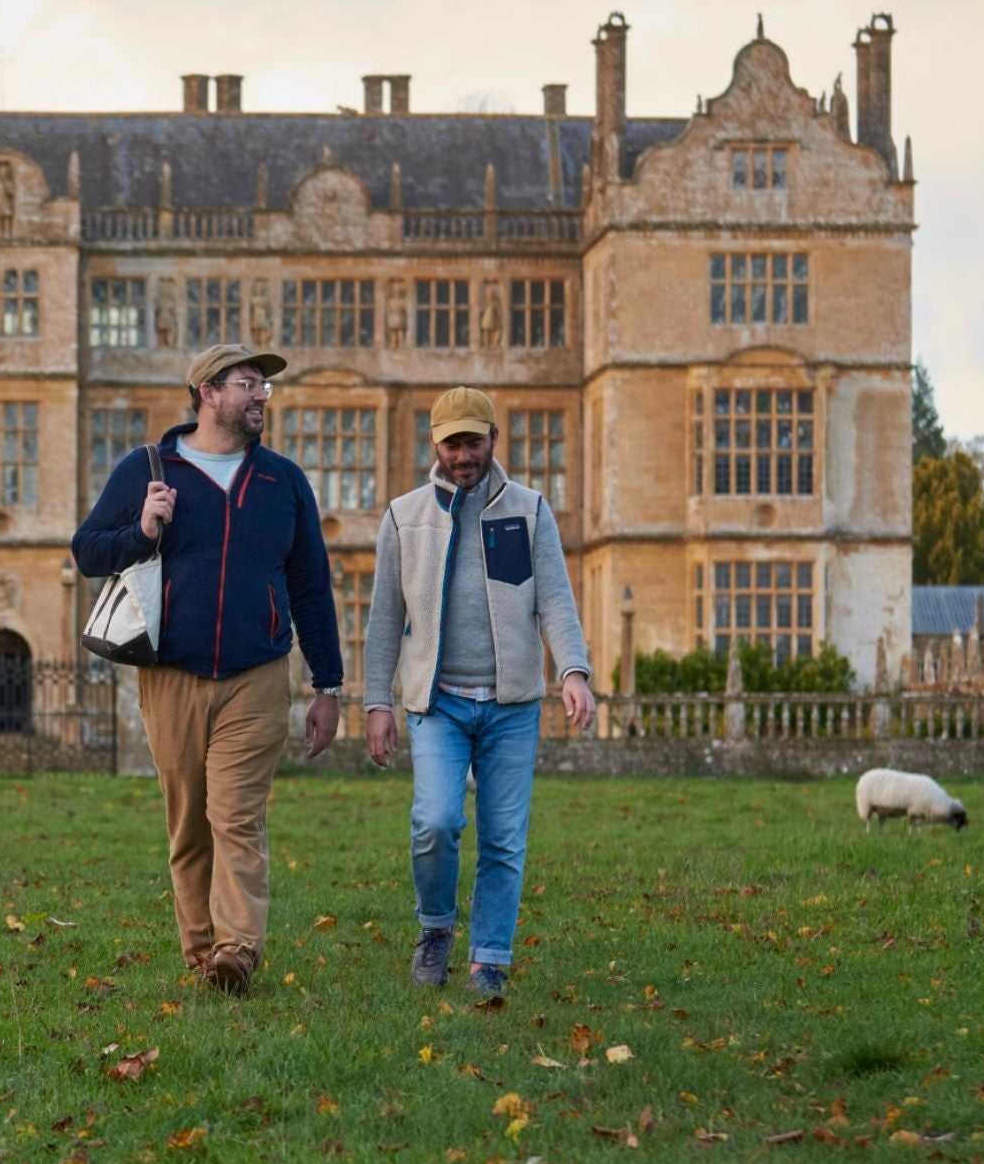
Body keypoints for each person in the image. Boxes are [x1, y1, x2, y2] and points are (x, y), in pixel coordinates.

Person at [73, 343, 344, 995]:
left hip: (257, 674)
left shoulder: (283, 482)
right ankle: (202, 953)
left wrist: (328, 685)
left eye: (264, 388)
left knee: (238, 816)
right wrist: (140, 529)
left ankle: (238, 949)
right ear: (206, 392)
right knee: (189, 821)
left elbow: (311, 583)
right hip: (171, 674)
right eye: (247, 385)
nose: (259, 397)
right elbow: (87, 551)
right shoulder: (149, 469)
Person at [361, 387, 594, 995]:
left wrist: (573, 671)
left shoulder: (530, 509)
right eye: (452, 442)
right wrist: (376, 704)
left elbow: (557, 602)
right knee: (434, 821)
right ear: (434, 445)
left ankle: (489, 958)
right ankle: (436, 928)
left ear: (494, 439)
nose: (464, 454)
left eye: (474, 441)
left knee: (503, 837)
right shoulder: (402, 517)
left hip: (512, 705)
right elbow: (384, 619)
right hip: (436, 705)